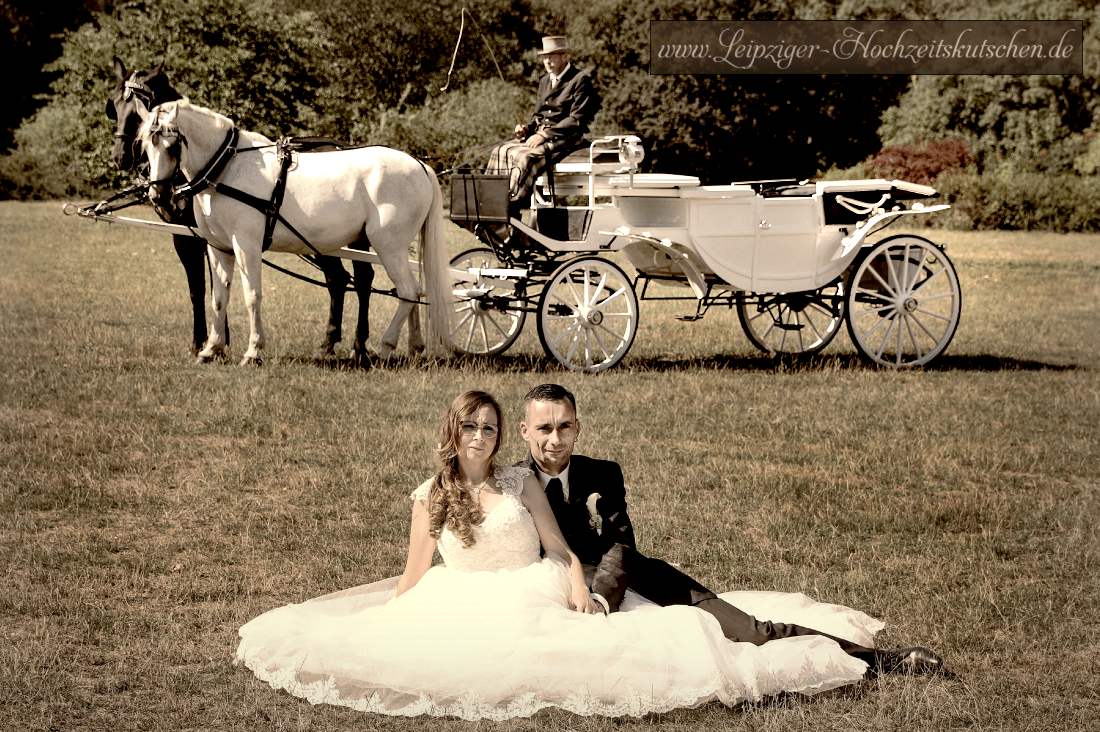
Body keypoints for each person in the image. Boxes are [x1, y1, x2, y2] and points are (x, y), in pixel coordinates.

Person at [236, 390, 882, 720]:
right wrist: (382, 618)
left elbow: (560, 548)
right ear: (454, 434)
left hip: (542, 585)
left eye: (489, 428)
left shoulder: (519, 481)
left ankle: (845, 654)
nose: (481, 437)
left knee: (665, 636)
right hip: (465, 601)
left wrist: (580, 581)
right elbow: (411, 574)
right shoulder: (432, 494)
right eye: (472, 428)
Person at [518, 382, 947, 677]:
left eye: (565, 426)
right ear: (525, 431)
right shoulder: (513, 484)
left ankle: (884, 661)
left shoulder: (603, 473)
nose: (555, 438)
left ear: (578, 427)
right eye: (544, 428)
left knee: (750, 631)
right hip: (562, 598)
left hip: (637, 579)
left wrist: (602, 597)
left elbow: (622, 544)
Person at [486, 35, 601, 208]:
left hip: (567, 137)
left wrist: (544, 134)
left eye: (551, 56)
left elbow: (576, 120)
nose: (547, 61)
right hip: (541, 134)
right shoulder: (545, 80)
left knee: (525, 157)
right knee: (500, 150)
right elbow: (538, 115)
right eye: (544, 57)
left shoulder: (579, 80)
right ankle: (489, 199)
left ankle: (509, 204)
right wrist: (526, 128)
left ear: (565, 56)